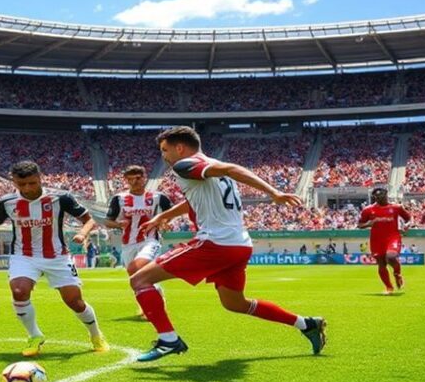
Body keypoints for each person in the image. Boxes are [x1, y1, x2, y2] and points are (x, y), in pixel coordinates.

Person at [130, 126, 326, 362]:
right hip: (239, 245)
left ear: (179, 148)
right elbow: (196, 198)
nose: (164, 156)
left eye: (165, 150)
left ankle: (168, 340)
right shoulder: (210, 167)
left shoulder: (185, 165)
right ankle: (307, 324)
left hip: (215, 243)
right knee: (235, 303)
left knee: (139, 279)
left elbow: (233, 169)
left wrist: (273, 192)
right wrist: (164, 216)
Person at [0, 160, 109, 356]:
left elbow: (89, 219)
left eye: (32, 183)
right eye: (21, 184)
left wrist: (83, 234)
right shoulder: (6, 203)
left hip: (57, 256)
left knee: (74, 301)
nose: (27, 188)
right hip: (23, 255)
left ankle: (95, 334)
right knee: (19, 290)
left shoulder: (60, 198)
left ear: (40, 178)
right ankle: (35, 335)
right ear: (14, 182)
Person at [104, 165, 172, 318]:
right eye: (130, 179)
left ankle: (155, 310)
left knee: (137, 268)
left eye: (138, 178)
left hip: (150, 240)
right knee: (136, 278)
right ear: (125, 180)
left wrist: (164, 222)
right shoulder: (119, 199)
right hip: (128, 244)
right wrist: (118, 224)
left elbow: (171, 212)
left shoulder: (157, 197)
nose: (134, 181)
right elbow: (108, 221)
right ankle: (149, 305)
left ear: (144, 178)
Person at [356, 187, 411, 294]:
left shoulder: (397, 207)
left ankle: (397, 274)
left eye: (381, 197)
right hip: (377, 239)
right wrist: (368, 224)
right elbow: (360, 224)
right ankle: (389, 287)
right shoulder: (368, 210)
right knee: (381, 263)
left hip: (393, 237)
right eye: (377, 197)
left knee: (390, 257)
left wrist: (407, 225)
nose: (379, 199)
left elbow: (408, 218)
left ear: (386, 195)